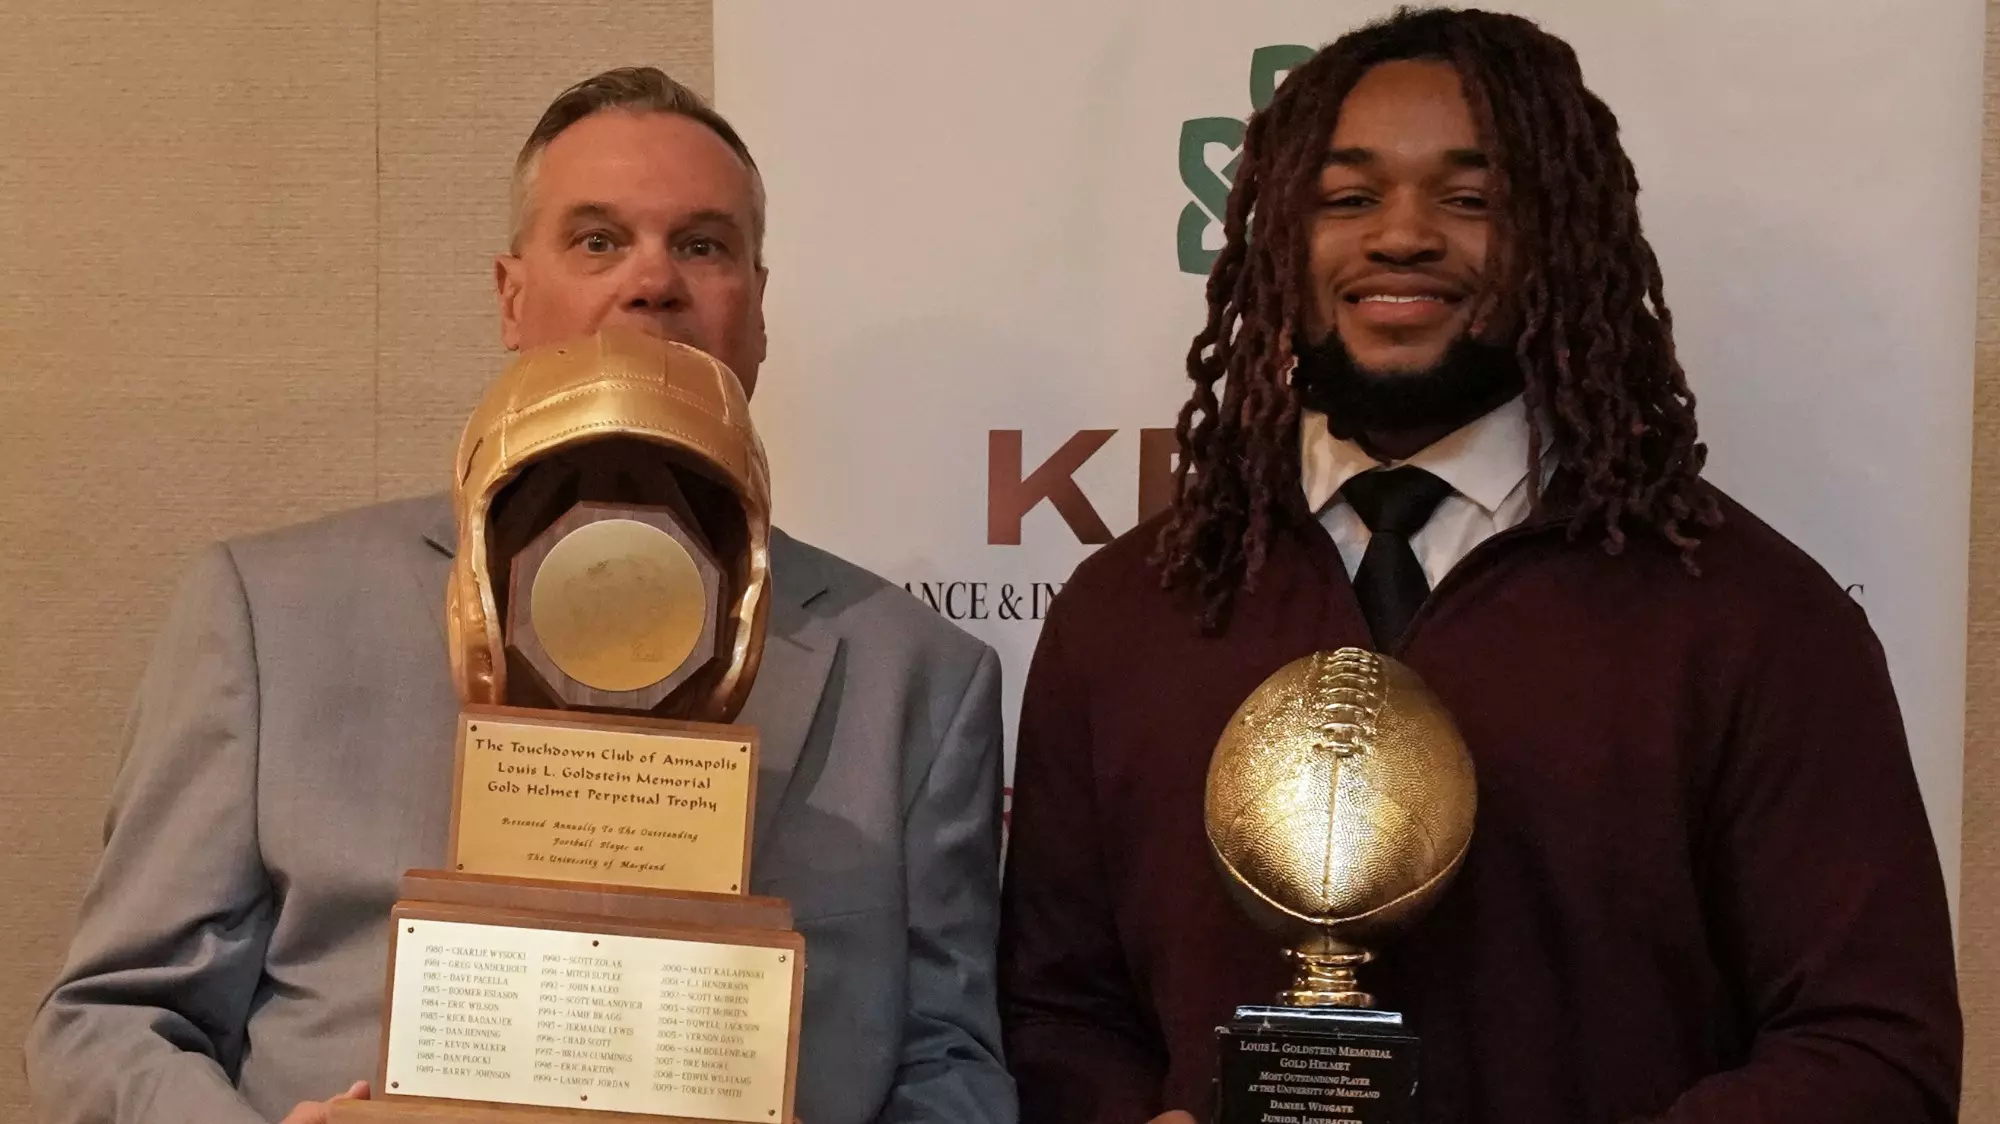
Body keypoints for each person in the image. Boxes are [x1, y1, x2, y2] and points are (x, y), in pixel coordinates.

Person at [997, 9, 1960, 1124]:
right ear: (1275, 240)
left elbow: (1871, 1047)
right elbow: (1053, 1012)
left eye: (1470, 200)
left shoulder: (1749, 617)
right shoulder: (1131, 609)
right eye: (1346, 197)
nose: (1400, 236)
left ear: (1558, 238)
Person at [27, 67, 1015, 1124]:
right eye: (597, 240)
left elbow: (949, 1062)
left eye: (702, 244)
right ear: (509, 295)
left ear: (758, 311)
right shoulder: (267, 616)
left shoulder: (918, 676)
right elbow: (112, 1019)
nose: (651, 282)